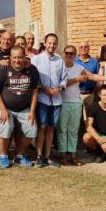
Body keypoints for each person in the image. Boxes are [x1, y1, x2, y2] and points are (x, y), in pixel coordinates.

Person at [59, 45, 106, 166]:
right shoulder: (59, 66)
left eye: (71, 53)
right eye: (67, 53)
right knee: (62, 130)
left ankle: (73, 155)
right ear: (64, 53)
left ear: (75, 55)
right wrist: (77, 79)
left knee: (73, 130)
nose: (69, 55)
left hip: (75, 102)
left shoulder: (79, 67)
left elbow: (92, 76)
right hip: (63, 102)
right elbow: (61, 84)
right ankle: (63, 155)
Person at [0, 45, 40, 168]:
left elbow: (34, 91)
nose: (17, 60)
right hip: (4, 107)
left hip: (24, 108)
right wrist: (3, 110)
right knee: (6, 126)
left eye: (20, 57)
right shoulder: (2, 69)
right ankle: (3, 156)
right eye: (14, 57)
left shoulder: (32, 70)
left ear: (25, 57)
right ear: (10, 58)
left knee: (32, 128)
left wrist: (32, 111)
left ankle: (19, 155)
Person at [32, 33, 68, 167]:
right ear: (45, 43)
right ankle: (39, 156)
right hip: (42, 99)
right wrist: (43, 88)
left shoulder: (60, 60)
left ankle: (48, 156)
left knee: (51, 128)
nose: (52, 45)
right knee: (41, 127)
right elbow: (33, 78)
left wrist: (59, 88)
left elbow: (64, 78)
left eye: (54, 43)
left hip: (56, 100)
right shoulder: (36, 60)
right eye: (50, 43)